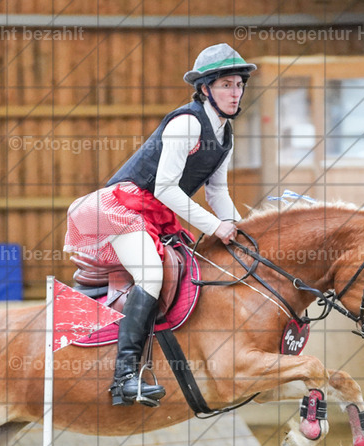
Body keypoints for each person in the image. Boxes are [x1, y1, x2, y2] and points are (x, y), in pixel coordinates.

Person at [64, 43, 256, 407]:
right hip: (121, 206)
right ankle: (124, 378)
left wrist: (237, 226)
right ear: (205, 89)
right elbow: (166, 187)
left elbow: (218, 191)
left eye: (239, 85)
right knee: (150, 273)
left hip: (154, 213)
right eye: (227, 85)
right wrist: (216, 227)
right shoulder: (186, 123)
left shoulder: (225, 134)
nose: (236, 93)